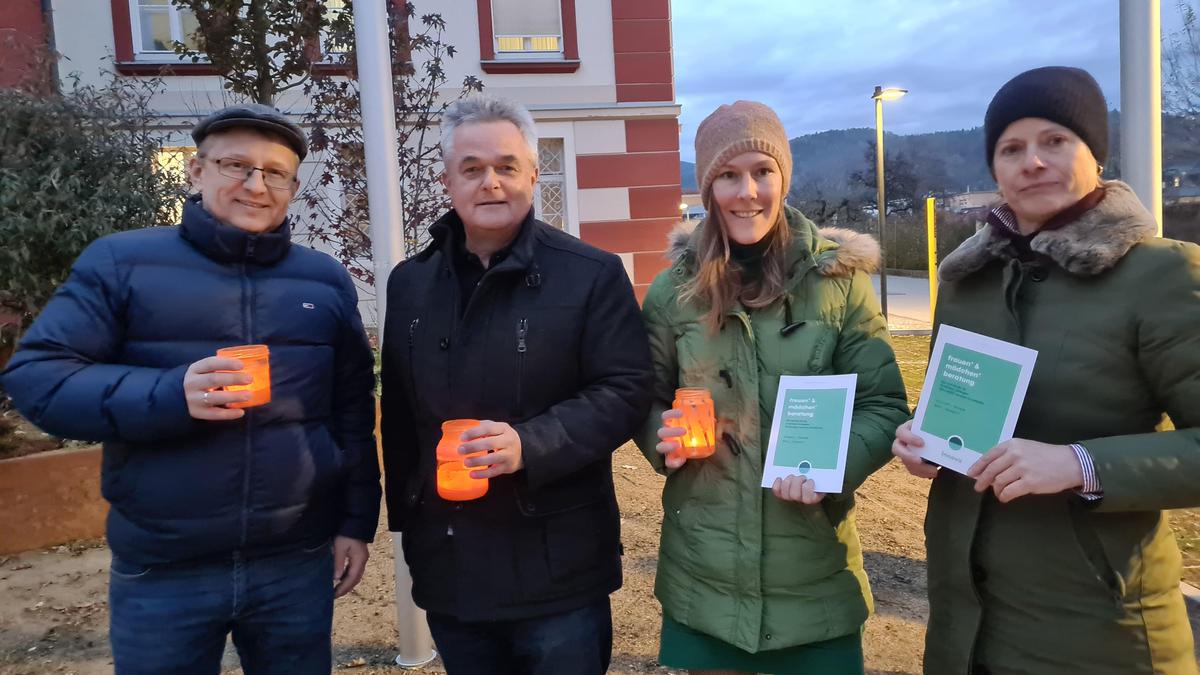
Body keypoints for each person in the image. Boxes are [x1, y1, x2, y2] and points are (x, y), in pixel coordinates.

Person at [2, 104, 381, 675]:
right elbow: (38, 378)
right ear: (195, 172)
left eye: (274, 172)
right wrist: (170, 395)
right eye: (236, 165)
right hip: (166, 568)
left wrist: (355, 523)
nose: (255, 184)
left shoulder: (323, 279)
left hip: (294, 561)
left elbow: (351, 411)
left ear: (293, 187)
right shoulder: (122, 262)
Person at [892, 66, 1200, 675]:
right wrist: (924, 442)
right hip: (966, 628)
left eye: (1054, 141)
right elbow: (953, 405)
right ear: (995, 169)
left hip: (1098, 633)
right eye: (1011, 149)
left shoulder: (1163, 275)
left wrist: (1079, 464)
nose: (1032, 162)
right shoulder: (966, 284)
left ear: (1095, 155)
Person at [379, 95, 652, 674]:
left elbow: (625, 390)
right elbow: (400, 417)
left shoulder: (590, 274)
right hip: (450, 563)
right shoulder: (410, 283)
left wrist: (530, 444)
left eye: (506, 166)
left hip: (557, 569)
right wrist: (408, 525)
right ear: (447, 179)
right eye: (472, 169)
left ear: (532, 172)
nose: (491, 183)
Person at [635, 100, 910, 674]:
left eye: (763, 172)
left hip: (813, 574)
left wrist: (832, 464)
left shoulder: (839, 284)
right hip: (704, 575)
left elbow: (882, 404)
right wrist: (661, 435)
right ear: (709, 188)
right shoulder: (672, 293)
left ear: (783, 177)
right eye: (729, 176)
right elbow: (645, 396)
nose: (748, 192)